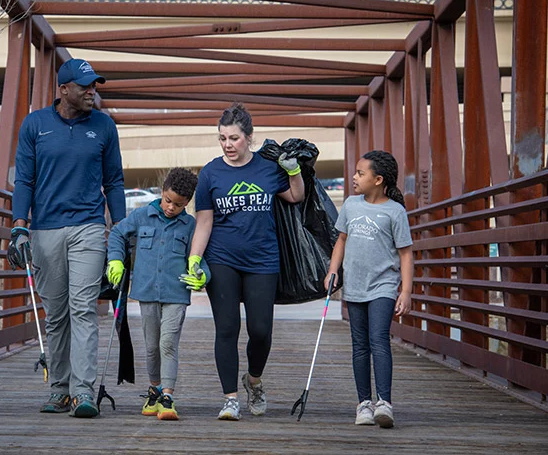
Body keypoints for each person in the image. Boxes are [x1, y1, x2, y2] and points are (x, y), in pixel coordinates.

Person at [9, 58, 126, 418]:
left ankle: (82, 392)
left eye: (95, 85)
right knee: (57, 314)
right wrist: (19, 226)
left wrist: (120, 230)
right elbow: (24, 181)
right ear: (63, 90)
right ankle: (59, 389)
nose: (93, 91)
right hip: (45, 230)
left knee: (83, 309)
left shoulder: (104, 127)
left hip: (89, 227)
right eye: (85, 86)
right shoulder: (35, 125)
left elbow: (115, 182)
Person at [188, 103, 305, 420]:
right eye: (222, 138)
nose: (227, 144)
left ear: (249, 138)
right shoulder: (211, 173)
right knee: (226, 328)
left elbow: (295, 196)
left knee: (261, 330)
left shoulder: (266, 169)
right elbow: (204, 222)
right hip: (222, 258)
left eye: (234, 138)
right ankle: (230, 399)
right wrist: (195, 259)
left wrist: (293, 172)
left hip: (262, 260)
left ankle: (253, 379)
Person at [106, 168, 207, 421]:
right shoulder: (142, 215)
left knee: (168, 343)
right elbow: (118, 234)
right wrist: (115, 261)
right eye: (168, 201)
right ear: (162, 191)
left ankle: (168, 396)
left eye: (179, 205)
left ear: (188, 203)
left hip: (176, 294)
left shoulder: (191, 225)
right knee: (152, 347)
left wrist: (203, 275)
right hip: (147, 292)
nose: (171, 207)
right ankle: (154, 389)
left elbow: (202, 256)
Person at [325, 150, 413, 428]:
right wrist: (332, 270)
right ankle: (363, 403)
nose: (354, 177)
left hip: (383, 286)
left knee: (379, 340)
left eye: (360, 173)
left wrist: (406, 291)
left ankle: (384, 403)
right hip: (355, 285)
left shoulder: (395, 212)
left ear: (378, 179)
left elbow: (406, 254)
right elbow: (341, 240)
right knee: (359, 346)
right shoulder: (350, 205)